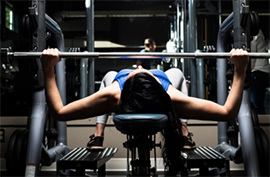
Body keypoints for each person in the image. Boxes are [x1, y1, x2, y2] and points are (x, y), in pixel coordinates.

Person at [40, 48, 249, 175]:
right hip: (166, 88)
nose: (139, 69)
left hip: (118, 87)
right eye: (139, 71)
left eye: (139, 71)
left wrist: (48, 68)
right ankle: (184, 131)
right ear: (158, 83)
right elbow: (227, 111)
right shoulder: (171, 97)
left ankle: (98, 134)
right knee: (176, 72)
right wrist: (240, 69)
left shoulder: (113, 94)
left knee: (110, 74)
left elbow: (59, 111)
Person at [250, 29, 270, 114]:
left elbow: (252, 57)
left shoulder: (253, 32)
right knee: (257, 104)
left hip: (258, 72)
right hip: (262, 72)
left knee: (256, 105)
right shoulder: (257, 31)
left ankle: (260, 125)